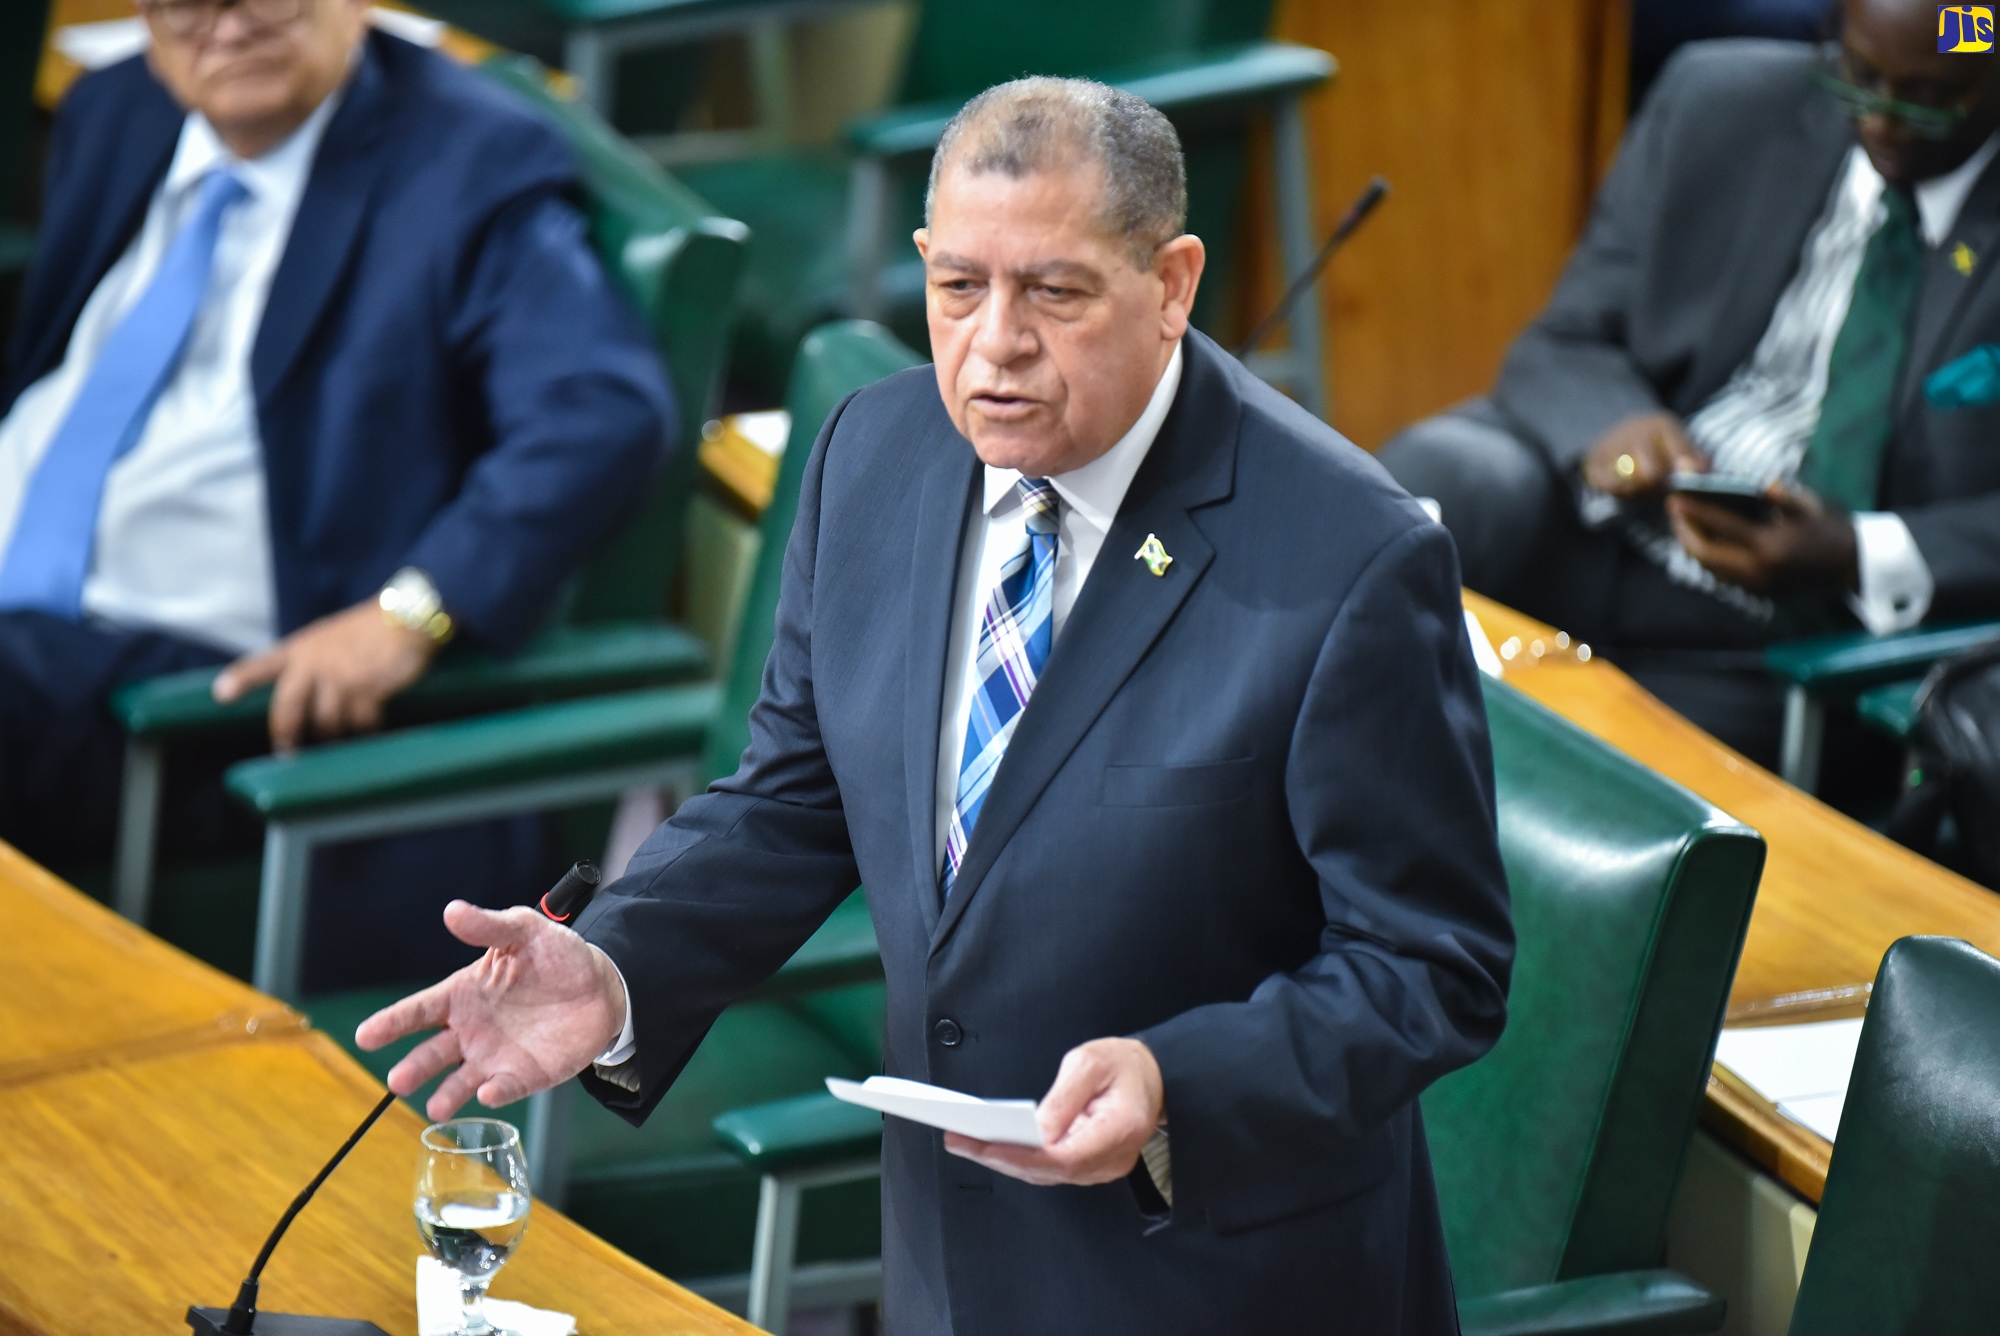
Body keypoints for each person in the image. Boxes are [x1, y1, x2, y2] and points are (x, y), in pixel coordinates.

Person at [360, 78, 1513, 1333]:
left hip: (1217, 1281)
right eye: (959, 287)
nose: (994, 342)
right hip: (945, 1269)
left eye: (1054, 292)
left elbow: (1430, 965)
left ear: (1172, 283)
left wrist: (1177, 1082)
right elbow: (797, 794)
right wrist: (618, 963)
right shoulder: (875, 451)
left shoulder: (1348, 556)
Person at [0, 0, 672, 984]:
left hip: (191, 683)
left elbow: (602, 409)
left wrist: (413, 611)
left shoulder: (467, 163)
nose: (223, 23)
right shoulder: (118, 108)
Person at [1380, 0, 2000, 772]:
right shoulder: (1721, 104)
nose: (1883, 122)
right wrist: (1616, 422)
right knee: (1423, 501)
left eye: (1930, 99)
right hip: (1616, 530)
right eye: (1860, 78)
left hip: (1800, 634)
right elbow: (1563, 340)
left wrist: (1855, 551)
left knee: (1569, 775)